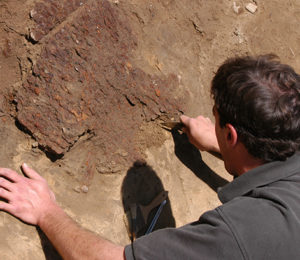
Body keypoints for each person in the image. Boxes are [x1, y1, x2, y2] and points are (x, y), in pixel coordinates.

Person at [0, 54, 299, 259]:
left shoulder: (239, 237)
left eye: (218, 122)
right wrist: (219, 145)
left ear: (232, 134)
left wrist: (46, 212)